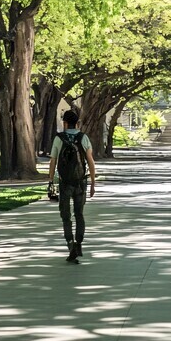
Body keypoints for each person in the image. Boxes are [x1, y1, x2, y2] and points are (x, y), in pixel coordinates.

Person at [49, 110, 96, 263]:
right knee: (79, 214)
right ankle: (79, 243)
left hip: (65, 182)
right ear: (77, 123)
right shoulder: (83, 138)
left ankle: (70, 244)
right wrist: (93, 183)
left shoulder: (59, 138)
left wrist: (50, 181)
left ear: (64, 123)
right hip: (80, 182)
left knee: (65, 216)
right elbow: (90, 161)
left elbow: (53, 161)